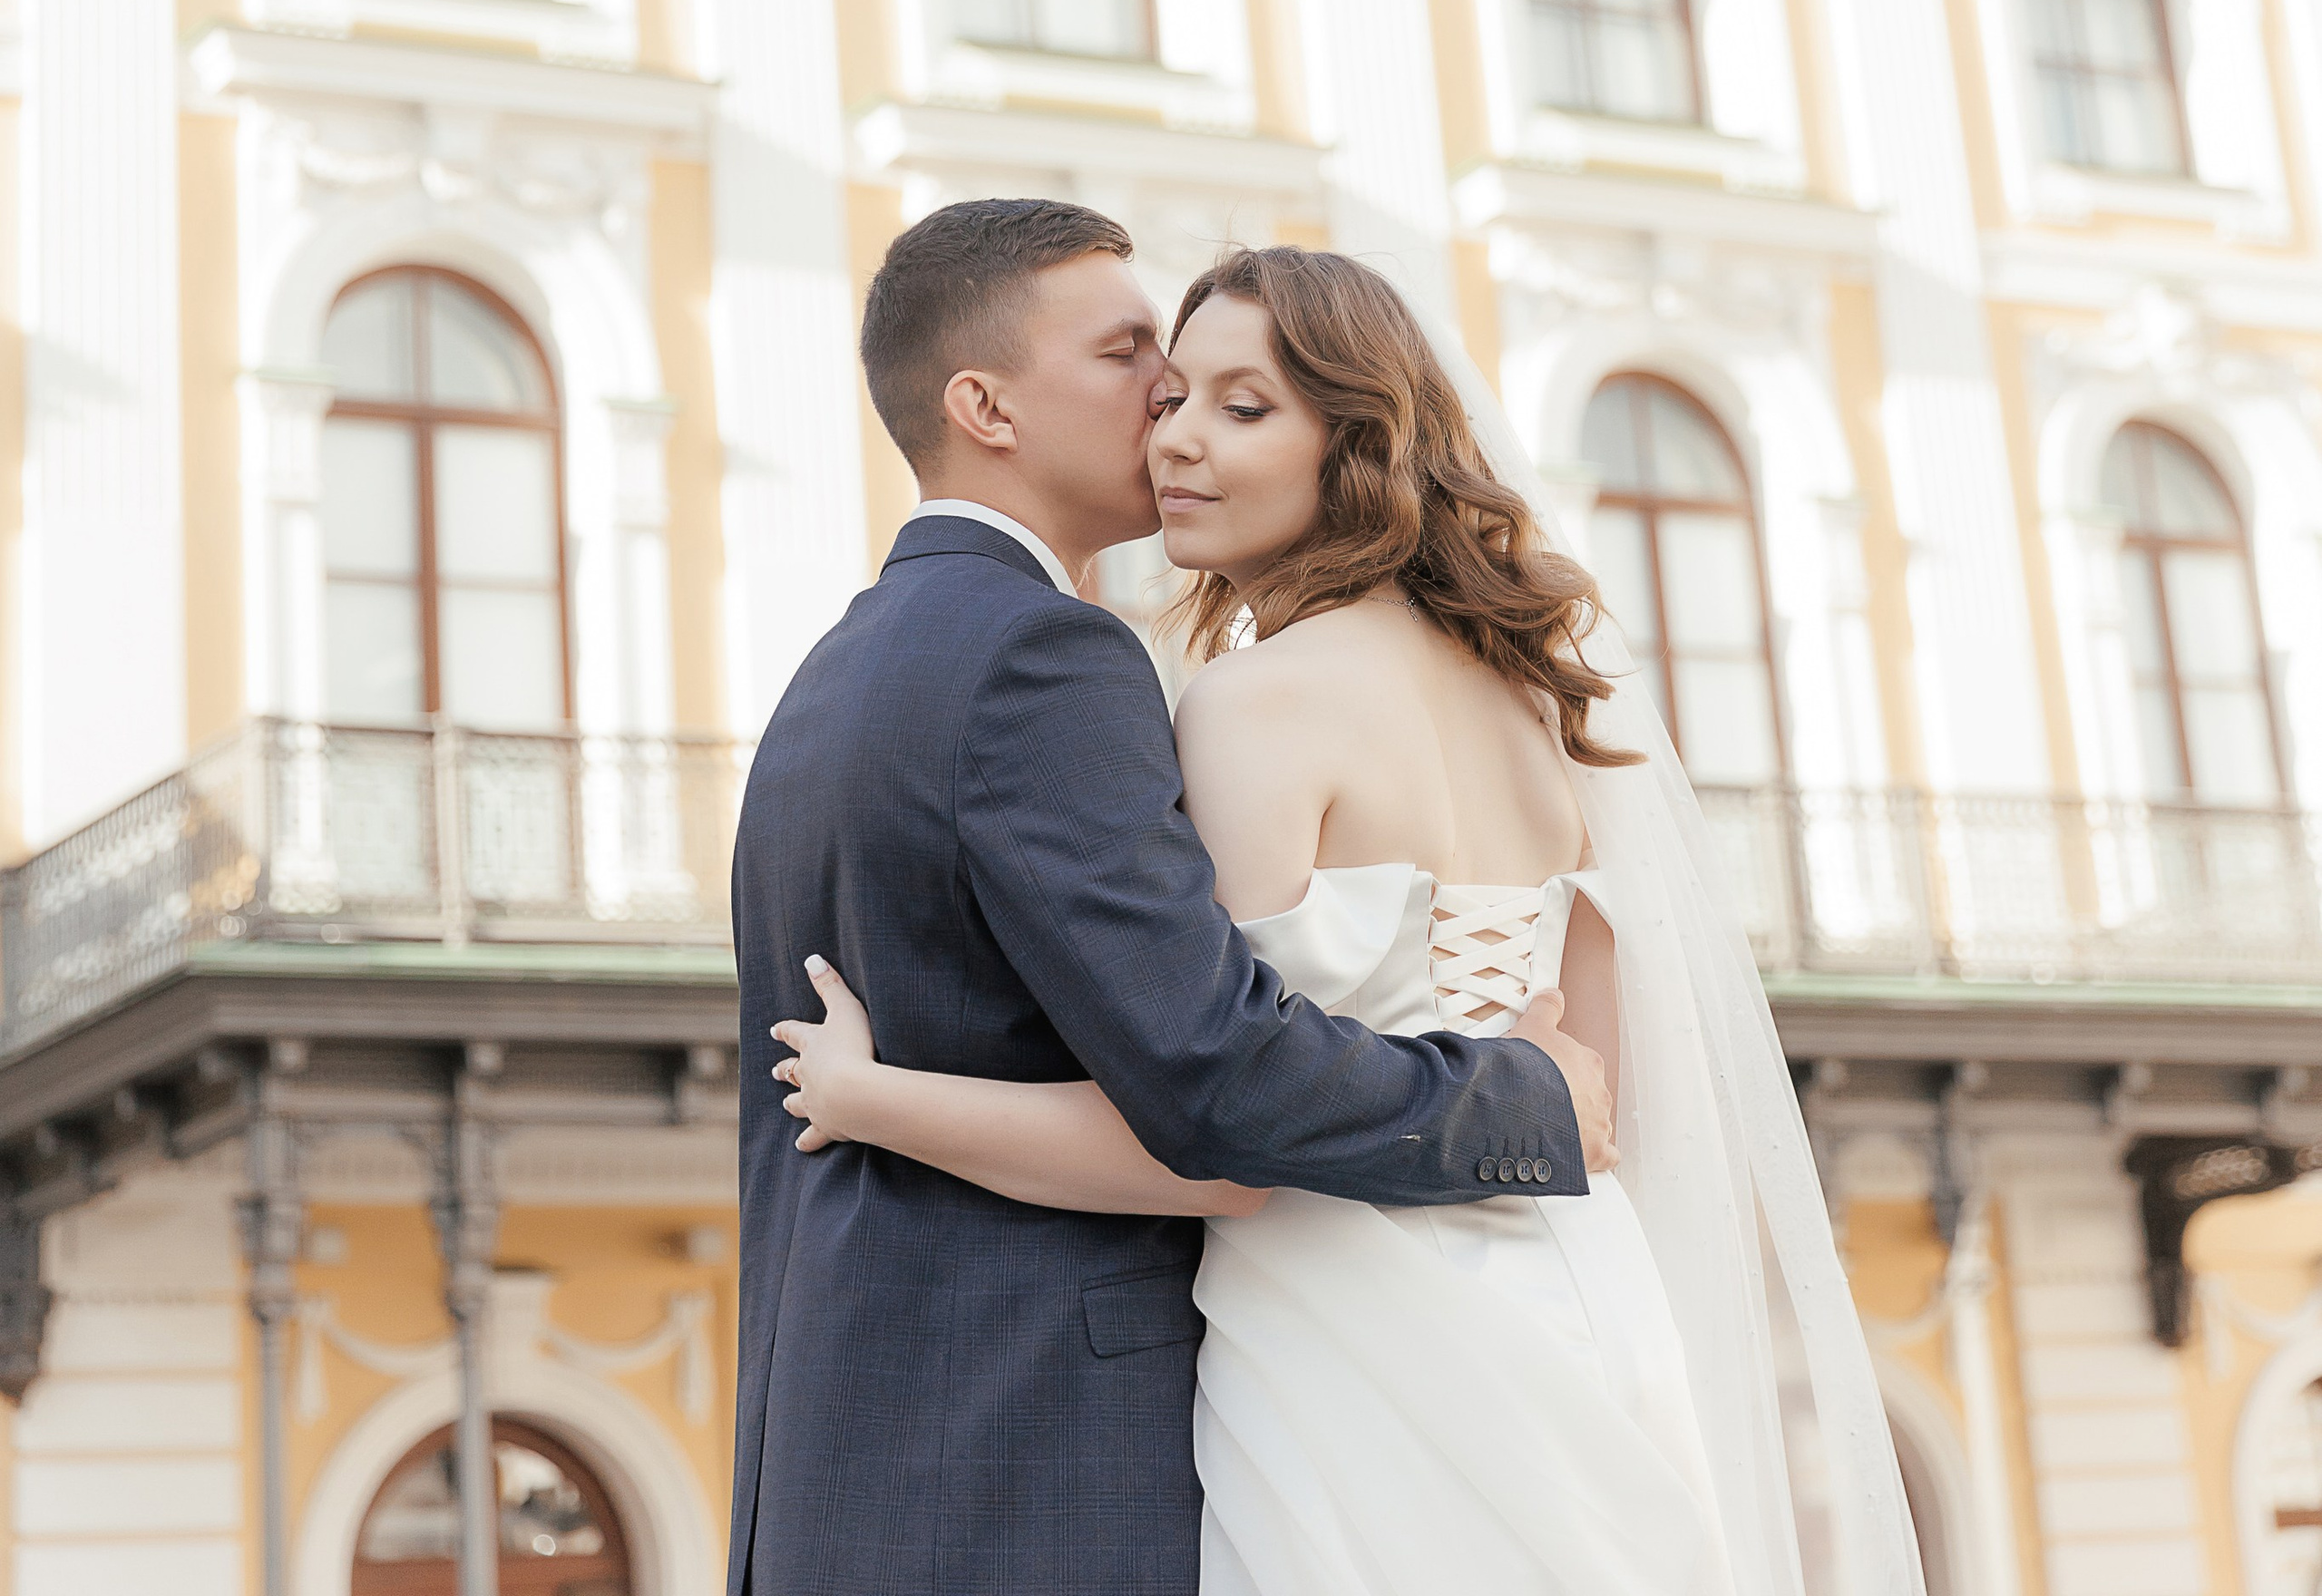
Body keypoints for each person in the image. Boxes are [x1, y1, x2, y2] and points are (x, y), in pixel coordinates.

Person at [775, 244, 1926, 1596]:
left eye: (1244, 409)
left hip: (1359, 1332)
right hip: (1590, 1304)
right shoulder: (1543, 704)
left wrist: (873, 1097)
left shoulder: (1253, 705)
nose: (1180, 442)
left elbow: (1214, 1135)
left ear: (1360, 443)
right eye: (1172, 400)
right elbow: (1596, 1103)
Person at [727, 202, 1615, 1596]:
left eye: (1226, 396)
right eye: (1136, 356)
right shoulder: (1049, 659)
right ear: (986, 405)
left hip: (876, 1453)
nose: (1167, 405)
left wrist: (873, 1097)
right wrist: (1527, 1101)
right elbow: (1215, 1092)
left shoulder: (834, 676)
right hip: (1043, 1462)